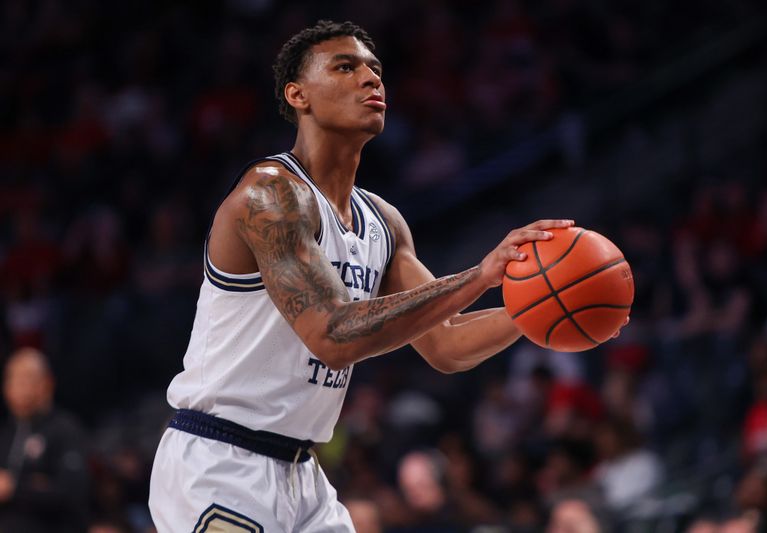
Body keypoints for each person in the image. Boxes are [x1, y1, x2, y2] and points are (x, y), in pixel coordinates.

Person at [148, 20, 585, 532]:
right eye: (345, 67)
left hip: (302, 473)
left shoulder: (382, 222)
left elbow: (444, 344)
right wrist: (480, 276)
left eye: (375, 70)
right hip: (219, 460)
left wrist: (536, 307)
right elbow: (333, 334)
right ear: (298, 95)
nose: (371, 79)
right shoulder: (270, 195)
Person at [0, 347, 89, 532]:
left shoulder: (65, 429)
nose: (18, 387)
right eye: (12, 379)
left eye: (26, 379)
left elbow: (72, 492)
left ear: (47, 383)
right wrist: (35, 483)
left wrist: (15, 488)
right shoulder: (5, 432)